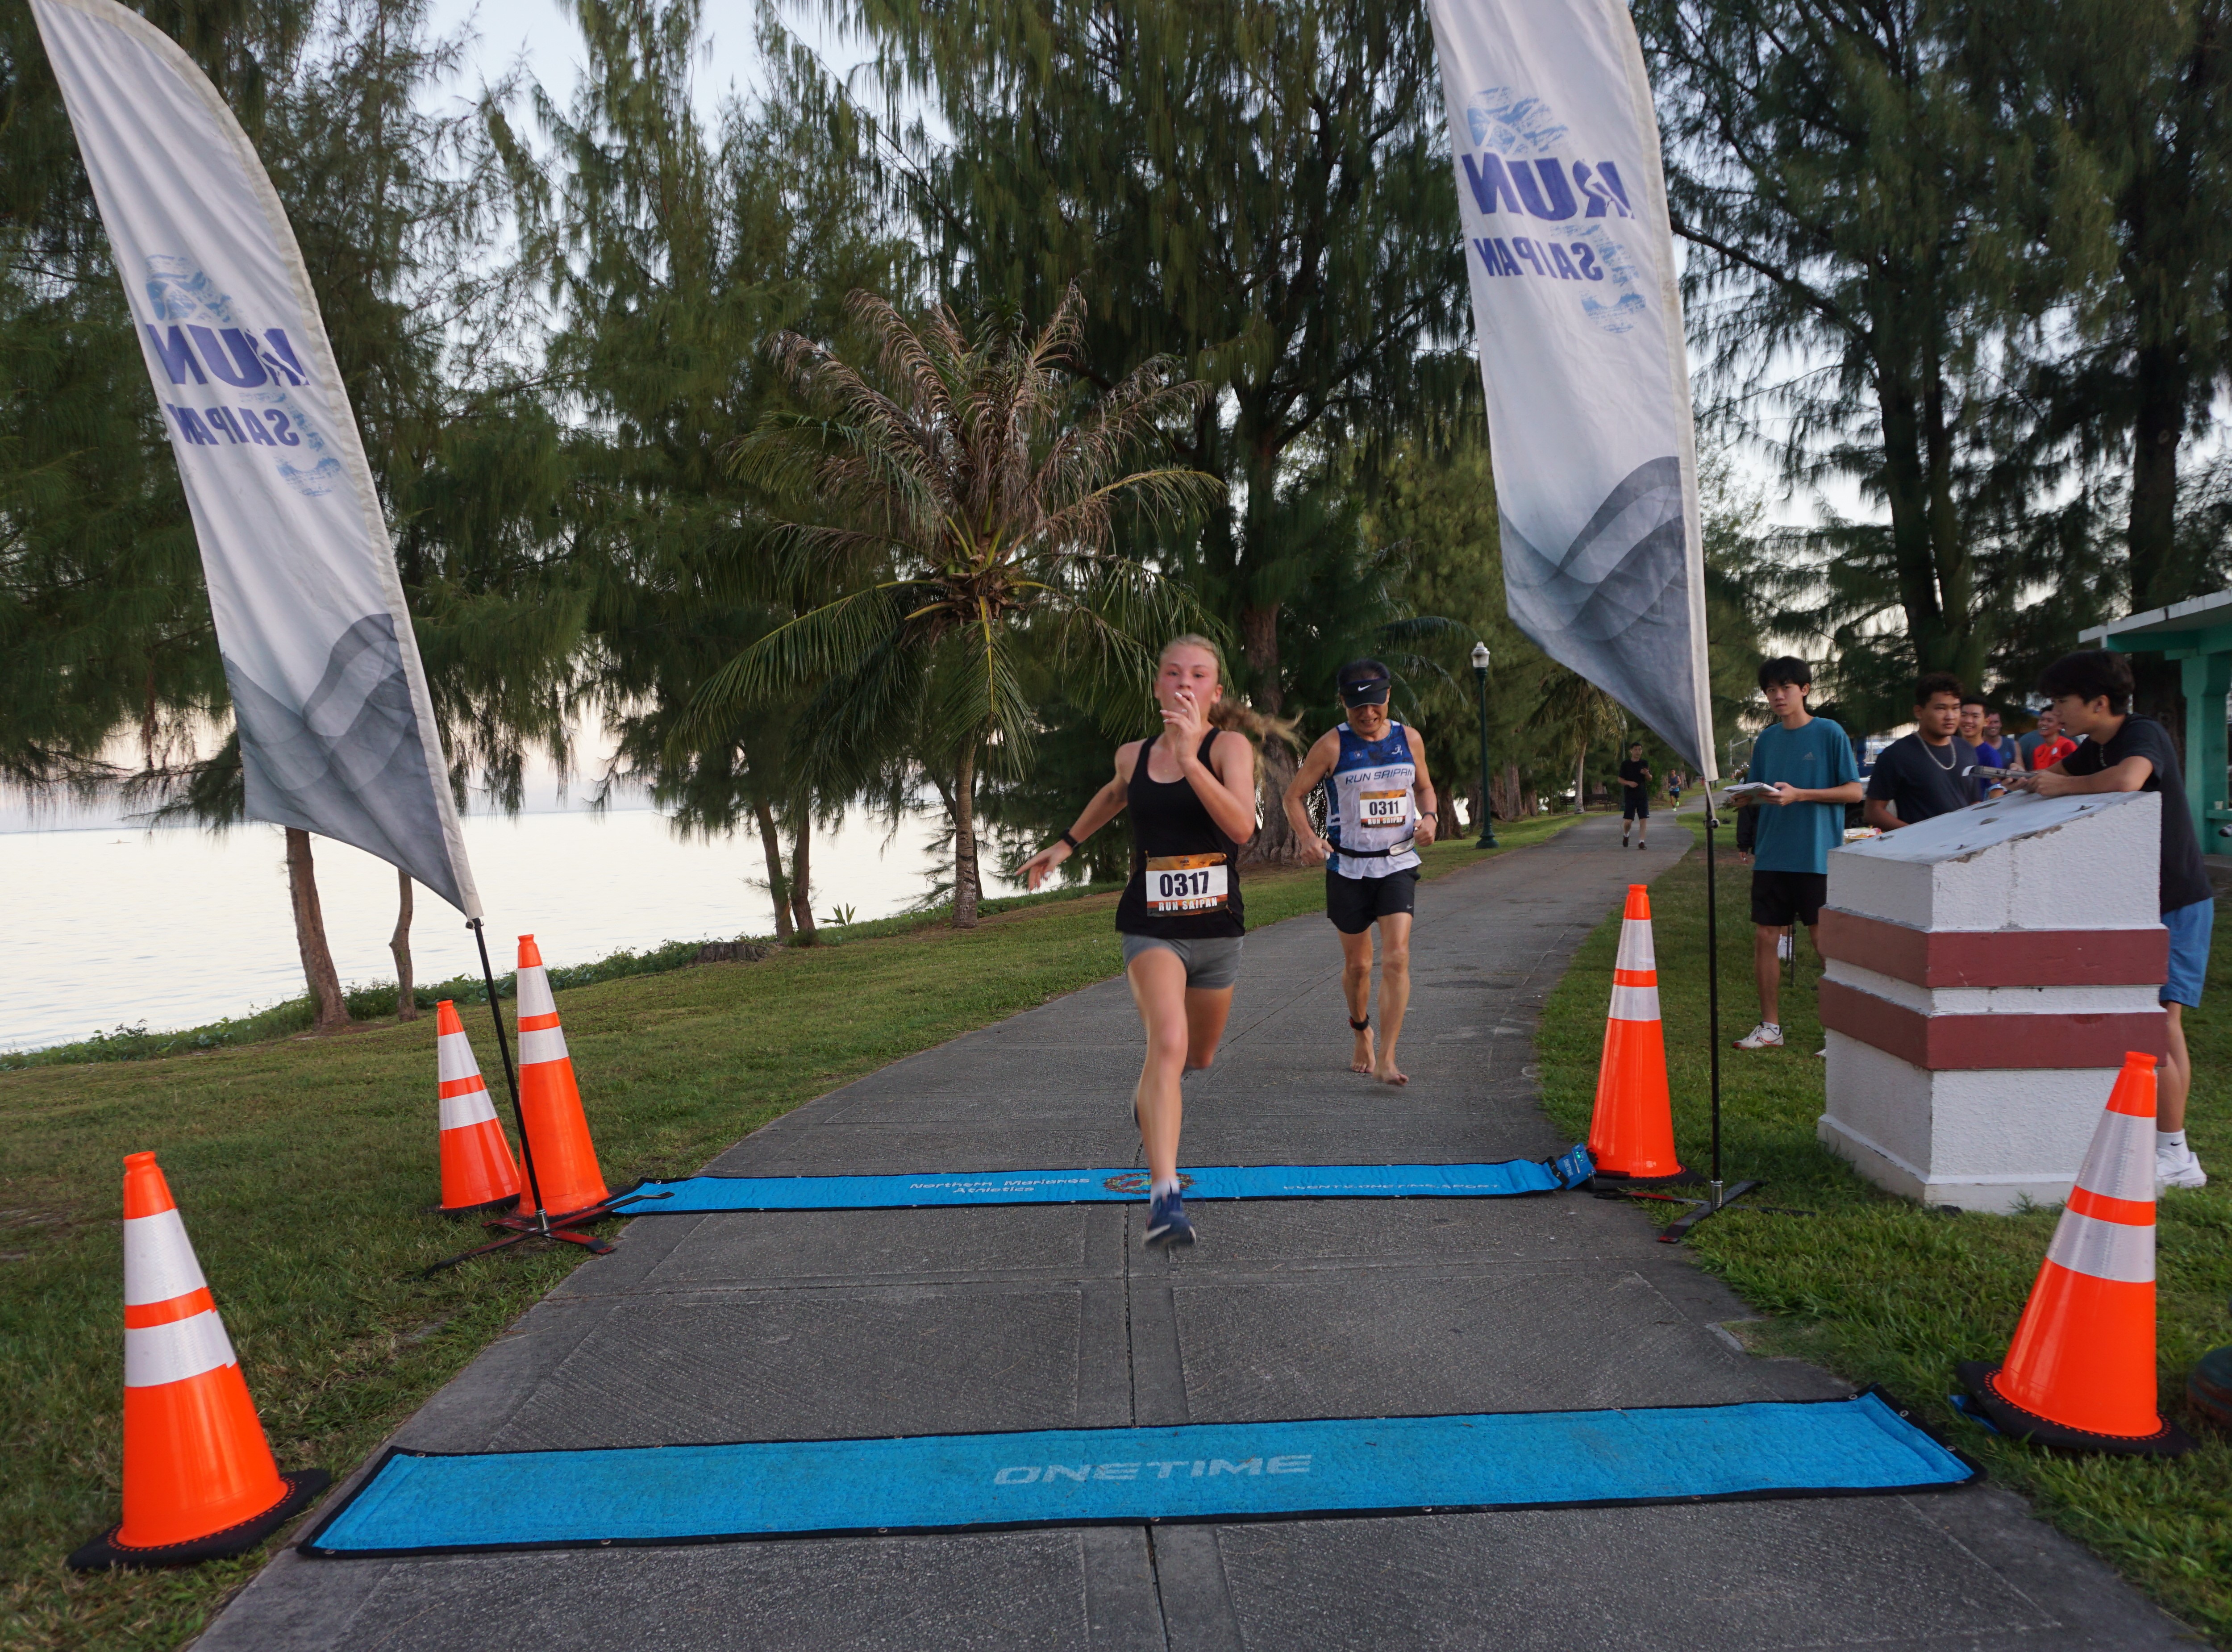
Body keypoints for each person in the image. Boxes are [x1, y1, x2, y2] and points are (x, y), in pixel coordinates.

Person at [1020, 636, 1266, 1246]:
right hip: (1151, 926)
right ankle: (1164, 1199)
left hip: (1217, 930)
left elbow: (1241, 827)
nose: (1185, 683)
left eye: (1199, 674)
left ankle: (1151, 1105)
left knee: (1197, 1058)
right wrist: (1065, 844)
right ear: (1157, 686)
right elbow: (1114, 794)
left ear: (1216, 692)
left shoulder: (1230, 747)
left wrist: (1189, 760)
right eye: (1173, 673)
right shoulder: (1132, 755)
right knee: (1169, 1042)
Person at [2014, 650, 2213, 1190]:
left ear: (2098, 703)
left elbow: (2128, 780)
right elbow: (2056, 772)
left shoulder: (2140, 734)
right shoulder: (2094, 746)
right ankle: (2153, 1139)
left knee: (2160, 1022)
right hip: (2137, 903)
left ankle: (2176, 1154)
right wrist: (2020, 785)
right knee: (2138, 1019)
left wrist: (2061, 786)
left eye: (2061, 702)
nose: (2053, 712)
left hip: (2178, 902)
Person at [1282, 659, 1439, 1085]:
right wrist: (1308, 838)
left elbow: (1424, 786)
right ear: (1343, 703)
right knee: (1358, 966)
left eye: (1375, 705)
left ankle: (1388, 1056)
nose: (1368, 715)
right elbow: (1293, 796)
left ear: (1388, 696)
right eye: (1357, 708)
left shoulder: (1409, 739)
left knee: (1397, 956)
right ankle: (1361, 1030)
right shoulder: (1332, 746)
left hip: (1398, 863)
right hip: (1348, 867)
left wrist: (1430, 817)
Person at [1731, 658, 1863, 1049]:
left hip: (1816, 856)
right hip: (1773, 854)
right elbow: (1762, 790)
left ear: (1805, 689)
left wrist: (1801, 794)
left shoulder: (1829, 733)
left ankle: (1842, 1034)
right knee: (1765, 937)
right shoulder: (1767, 740)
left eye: (1785, 688)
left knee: (1826, 946)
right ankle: (1770, 1028)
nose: (1777, 696)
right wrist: (1745, 799)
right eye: (1771, 690)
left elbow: (1854, 791)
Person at [1864, 673, 1996, 832]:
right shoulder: (1896, 755)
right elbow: (1873, 812)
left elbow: (1974, 802)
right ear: (1919, 712)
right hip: (1920, 852)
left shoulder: (1967, 750)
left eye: (1955, 708)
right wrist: (1919, 835)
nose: (1950, 716)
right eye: (1941, 708)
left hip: (1963, 847)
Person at [1617, 741, 1652, 849]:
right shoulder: (1626, 764)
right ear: (1631, 751)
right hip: (1630, 796)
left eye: (1640, 750)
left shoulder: (1644, 763)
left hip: (1642, 795)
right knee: (1628, 821)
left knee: (1643, 819)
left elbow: (1650, 779)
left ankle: (1642, 842)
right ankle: (1626, 835)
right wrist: (1629, 783)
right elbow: (1620, 780)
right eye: (1636, 750)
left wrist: (1647, 774)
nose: (1638, 752)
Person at [2021, 705, 2077, 771]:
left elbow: (2074, 772)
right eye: (2042, 720)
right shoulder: (2038, 750)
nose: (2044, 723)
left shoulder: (2066, 745)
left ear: (2060, 726)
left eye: (2050, 721)